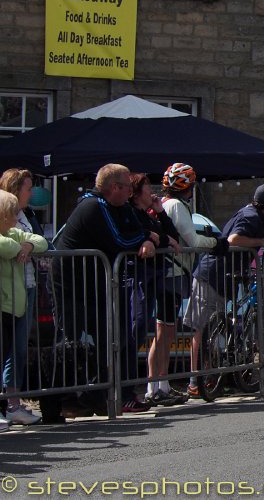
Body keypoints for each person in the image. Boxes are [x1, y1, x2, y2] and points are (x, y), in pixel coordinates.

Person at [51, 163, 157, 416]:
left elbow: (140, 228)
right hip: (73, 284)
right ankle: (63, 400)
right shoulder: (93, 206)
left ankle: (97, 396)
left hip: (97, 284)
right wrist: (145, 238)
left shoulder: (120, 207)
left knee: (110, 338)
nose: (132, 191)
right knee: (72, 341)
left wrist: (150, 236)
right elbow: (118, 240)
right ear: (115, 187)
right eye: (128, 187)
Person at [183, 184, 264, 397]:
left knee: (217, 327)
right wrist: (262, 241)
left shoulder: (258, 215)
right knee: (202, 329)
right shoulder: (250, 216)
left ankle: (218, 377)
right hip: (211, 276)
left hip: (226, 279)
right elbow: (233, 240)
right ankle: (195, 381)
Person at [147, 163, 215, 406]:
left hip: (170, 272)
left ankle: (160, 384)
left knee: (165, 330)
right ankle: (155, 385)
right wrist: (216, 242)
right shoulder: (176, 205)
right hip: (171, 273)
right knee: (164, 331)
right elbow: (193, 239)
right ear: (190, 186)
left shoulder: (168, 204)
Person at [127, 174, 184, 409]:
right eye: (147, 187)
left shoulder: (147, 214)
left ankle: (158, 386)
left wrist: (160, 212)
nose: (152, 191)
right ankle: (144, 387)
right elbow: (161, 239)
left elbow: (171, 235)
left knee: (154, 331)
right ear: (136, 191)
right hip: (140, 278)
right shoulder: (132, 213)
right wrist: (158, 239)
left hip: (155, 278)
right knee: (138, 330)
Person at [0, 188, 47, 430]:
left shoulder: (12, 232)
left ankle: (10, 407)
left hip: (12, 309)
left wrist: (27, 244)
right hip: (3, 307)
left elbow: (40, 240)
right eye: (10, 214)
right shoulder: (7, 236)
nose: (15, 218)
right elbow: (7, 246)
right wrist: (20, 245)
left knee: (8, 354)